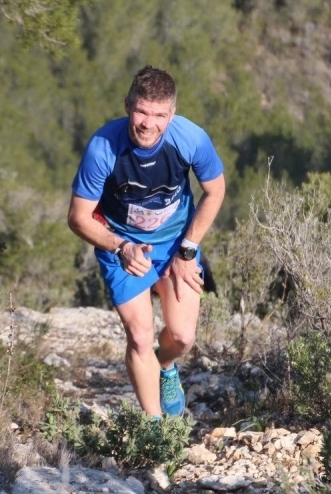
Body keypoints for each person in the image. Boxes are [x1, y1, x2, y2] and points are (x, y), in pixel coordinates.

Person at [68, 65, 225, 417]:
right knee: (139, 336)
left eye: (158, 115)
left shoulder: (191, 139)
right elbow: (78, 217)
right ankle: (154, 429)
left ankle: (165, 366)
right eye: (141, 111)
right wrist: (119, 246)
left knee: (182, 337)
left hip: (175, 245)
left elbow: (215, 191)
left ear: (172, 114)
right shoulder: (103, 147)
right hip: (122, 247)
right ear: (127, 106)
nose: (147, 123)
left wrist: (187, 250)